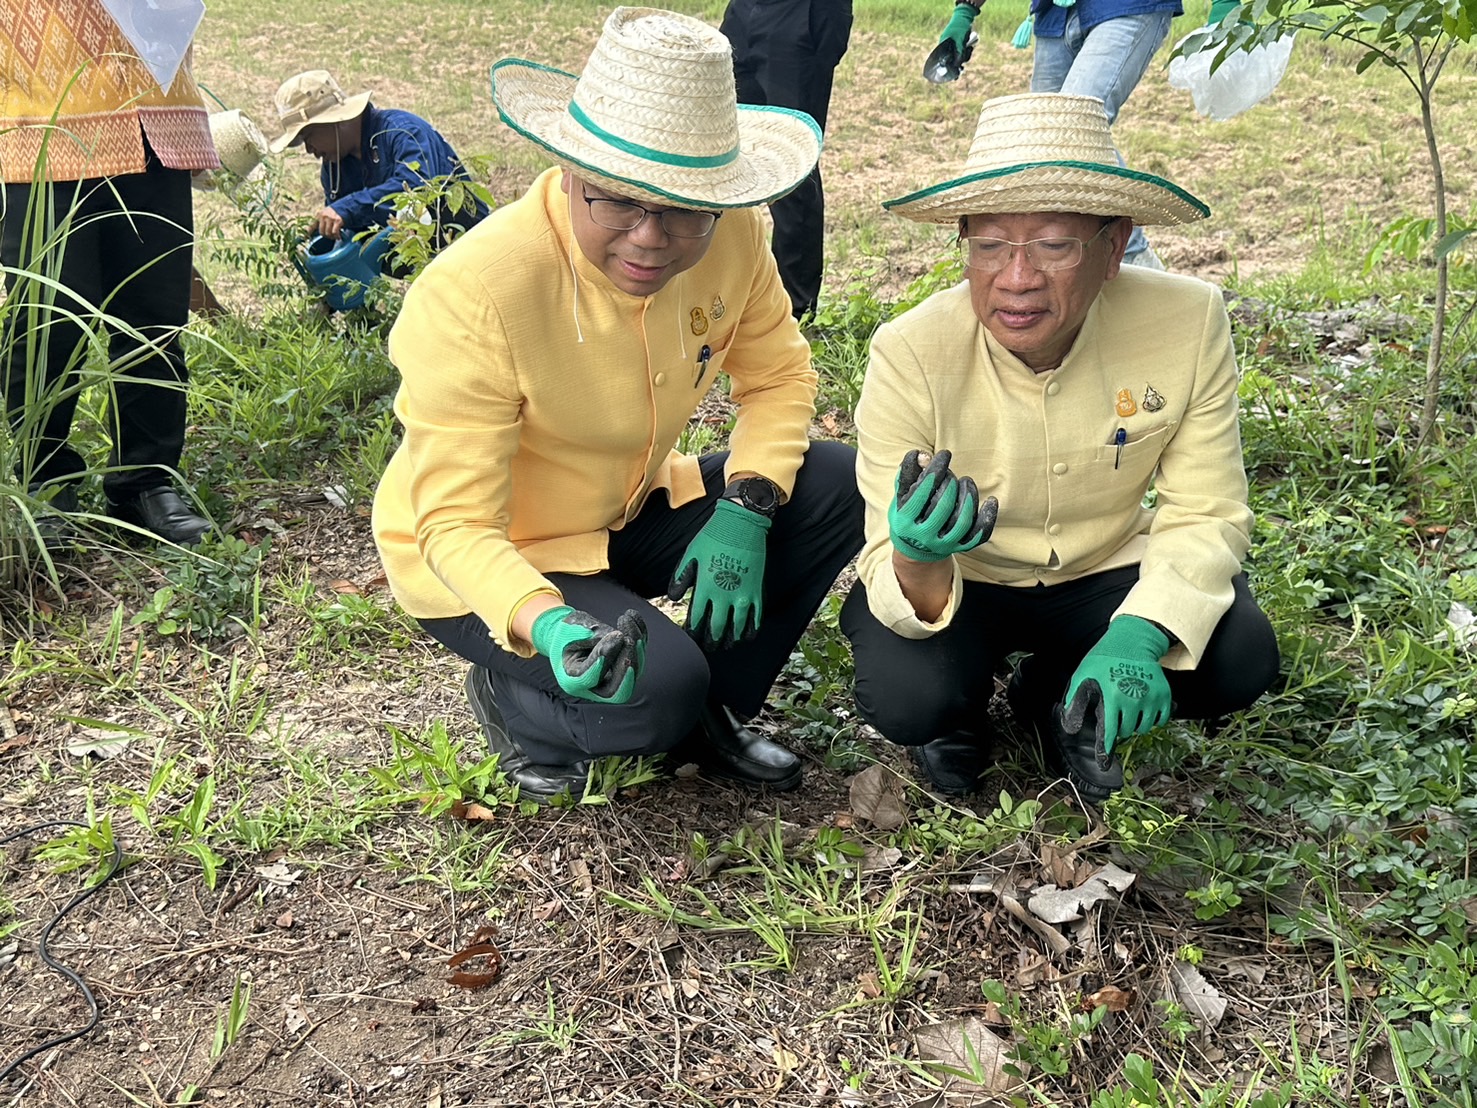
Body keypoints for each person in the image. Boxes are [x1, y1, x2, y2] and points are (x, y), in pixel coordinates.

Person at [370, 8, 864, 802]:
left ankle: (714, 706)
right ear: (568, 172)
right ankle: (518, 700)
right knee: (647, 698)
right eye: (617, 204)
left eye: (681, 209)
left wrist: (747, 505)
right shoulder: (478, 293)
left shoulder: (736, 236)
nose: (648, 238)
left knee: (835, 482)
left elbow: (776, 378)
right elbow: (455, 524)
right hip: (500, 548)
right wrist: (548, 620)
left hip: (625, 502)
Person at [841, 93, 1279, 803]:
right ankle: (953, 718)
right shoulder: (910, 350)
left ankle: (1053, 691)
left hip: (1102, 565)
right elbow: (880, 548)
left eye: (1053, 245)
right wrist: (918, 555)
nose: (1015, 278)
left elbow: (1207, 506)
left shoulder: (1185, 320)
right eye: (988, 245)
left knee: (1235, 658)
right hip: (967, 578)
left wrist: (1141, 631)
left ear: (1113, 247)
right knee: (907, 697)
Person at [1, 0, 219, 546]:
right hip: (41, 117)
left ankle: (148, 480)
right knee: (46, 322)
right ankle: (44, 483)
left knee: (154, 317)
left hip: (155, 114)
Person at [936, 0, 1180, 268]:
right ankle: (1074, 267)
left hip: (1125, 6)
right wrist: (965, 10)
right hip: (1055, 13)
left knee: (1076, 128)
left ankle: (1134, 263)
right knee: (1045, 141)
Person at [720, 0, 854, 319]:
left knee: (792, 158)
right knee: (718, 150)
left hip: (804, 14)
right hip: (743, 11)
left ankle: (791, 312)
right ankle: (719, 296)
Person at [268, 70, 488, 261]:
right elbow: (349, 239)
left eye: (308, 136)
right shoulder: (334, 169)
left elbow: (417, 188)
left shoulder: (402, 131)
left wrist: (347, 209)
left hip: (470, 250)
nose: (308, 149)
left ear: (333, 121)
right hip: (424, 268)